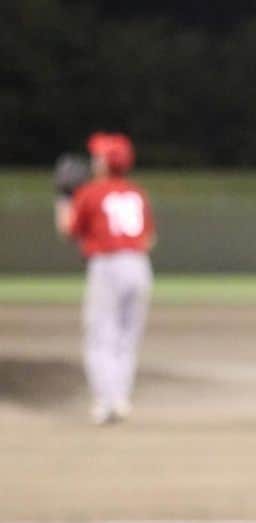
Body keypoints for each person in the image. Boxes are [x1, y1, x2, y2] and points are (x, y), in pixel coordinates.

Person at [55, 132, 155, 425]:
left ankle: (105, 401)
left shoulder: (91, 192)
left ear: (106, 162)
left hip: (107, 264)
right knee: (127, 336)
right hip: (138, 264)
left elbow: (67, 230)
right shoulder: (137, 193)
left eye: (98, 156)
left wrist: (63, 197)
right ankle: (120, 398)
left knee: (100, 336)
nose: (93, 160)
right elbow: (149, 238)